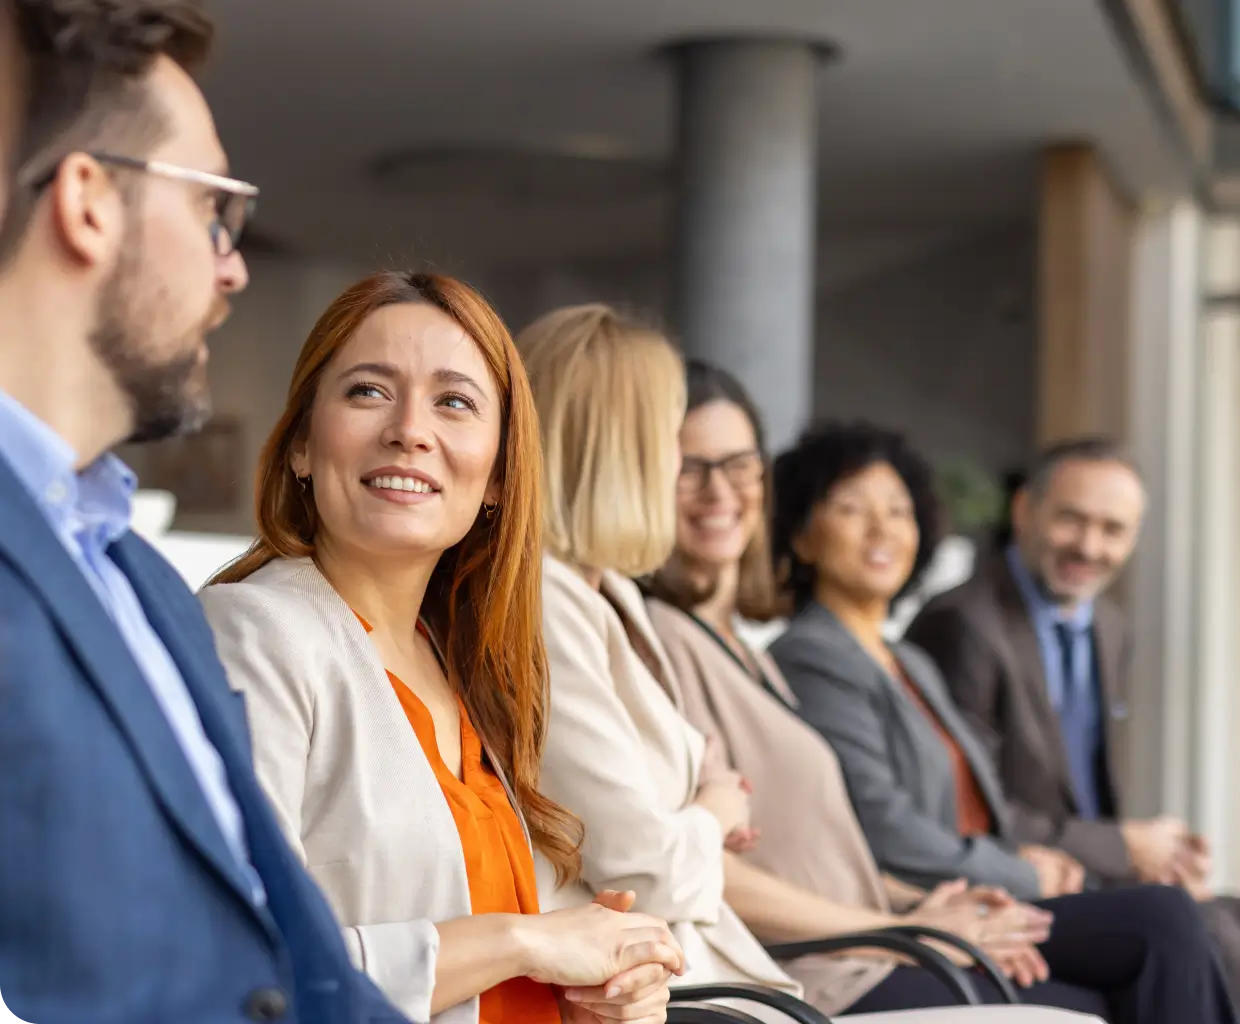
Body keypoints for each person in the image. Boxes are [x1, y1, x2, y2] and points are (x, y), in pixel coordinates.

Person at [0, 2, 410, 1020]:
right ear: (89, 201)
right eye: (214, 211)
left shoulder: (145, 584)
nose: (233, 268)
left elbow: (302, 970)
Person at [517, 307, 1097, 1024]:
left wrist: (915, 913)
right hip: (711, 980)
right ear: (619, 449)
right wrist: (713, 810)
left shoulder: (610, 604)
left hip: (738, 967)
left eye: (737, 465)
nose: (698, 482)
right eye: (677, 448)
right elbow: (658, 868)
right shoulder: (564, 607)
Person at [200, 272, 684, 1024]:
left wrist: (598, 990)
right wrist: (524, 943)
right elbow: (243, 961)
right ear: (300, 445)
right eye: (367, 392)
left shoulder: (461, 661)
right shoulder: (252, 633)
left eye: (454, 401)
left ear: (496, 476)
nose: (410, 430)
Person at [766, 419, 1239, 1023]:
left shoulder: (904, 660)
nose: (883, 529)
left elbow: (976, 798)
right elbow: (882, 823)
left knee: (1190, 920)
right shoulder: (814, 656)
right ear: (802, 537)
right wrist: (1027, 871)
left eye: (898, 510)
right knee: (1166, 922)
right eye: (853, 509)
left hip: (983, 883)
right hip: (930, 900)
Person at [905, 438, 1240, 998]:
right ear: (1024, 511)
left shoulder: (1109, 627)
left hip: (1089, 879)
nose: (1090, 546)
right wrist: (1124, 846)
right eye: (1072, 520)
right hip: (1004, 889)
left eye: (1113, 530)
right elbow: (961, 811)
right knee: (1198, 930)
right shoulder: (962, 624)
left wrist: (1156, 861)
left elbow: (1076, 791)